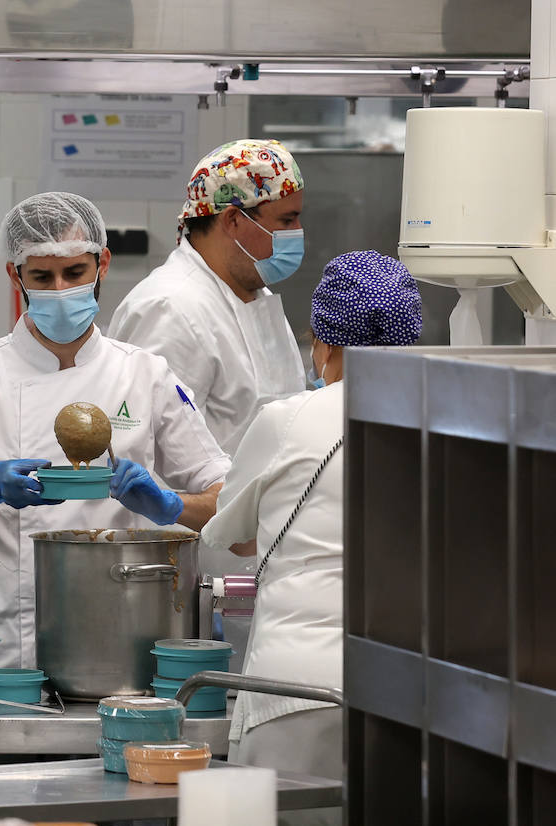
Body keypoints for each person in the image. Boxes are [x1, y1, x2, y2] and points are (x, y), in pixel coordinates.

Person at [0, 192, 231, 668]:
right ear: (16, 276)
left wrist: (171, 505)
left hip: (119, 650)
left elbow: (231, 502)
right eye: (41, 276)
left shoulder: (146, 375)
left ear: (103, 264)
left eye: (74, 273)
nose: (59, 289)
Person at [199, 251, 422, 825]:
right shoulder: (443, 418)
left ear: (324, 343)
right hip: (407, 689)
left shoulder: (288, 420)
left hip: (292, 691)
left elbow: (230, 540)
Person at [110, 138, 308, 455]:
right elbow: (153, 453)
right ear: (233, 220)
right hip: (210, 504)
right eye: (287, 220)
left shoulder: (254, 290)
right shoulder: (170, 308)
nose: (298, 231)